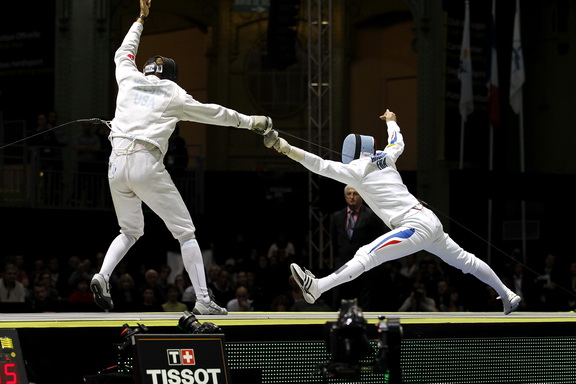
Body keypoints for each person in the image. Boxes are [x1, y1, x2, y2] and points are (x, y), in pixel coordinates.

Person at [90, 0, 273, 315]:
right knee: (185, 232)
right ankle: (203, 299)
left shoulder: (128, 78)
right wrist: (250, 121)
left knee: (130, 230)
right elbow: (214, 113)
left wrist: (141, 18)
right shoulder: (174, 94)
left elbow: (124, 51)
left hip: (115, 165)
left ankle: (102, 276)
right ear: (172, 77)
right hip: (145, 163)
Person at [264, 109, 521, 315]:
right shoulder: (387, 157)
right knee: (466, 261)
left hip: (413, 226)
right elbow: (397, 140)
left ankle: (317, 288)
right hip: (430, 221)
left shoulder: (356, 170)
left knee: (367, 254)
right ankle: (507, 294)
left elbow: (318, 164)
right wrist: (391, 120)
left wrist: (285, 148)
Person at [330, 185, 386, 310]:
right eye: (349, 194)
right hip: (343, 261)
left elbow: (378, 238)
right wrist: (339, 257)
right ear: (345, 197)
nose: (352, 197)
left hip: (365, 263)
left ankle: (366, 324)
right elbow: (334, 240)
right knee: (338, 294)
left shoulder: (371, 215)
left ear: (362, 196)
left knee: (365, 298)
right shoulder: (337, 216)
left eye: (355, 194)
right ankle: (336, 321)